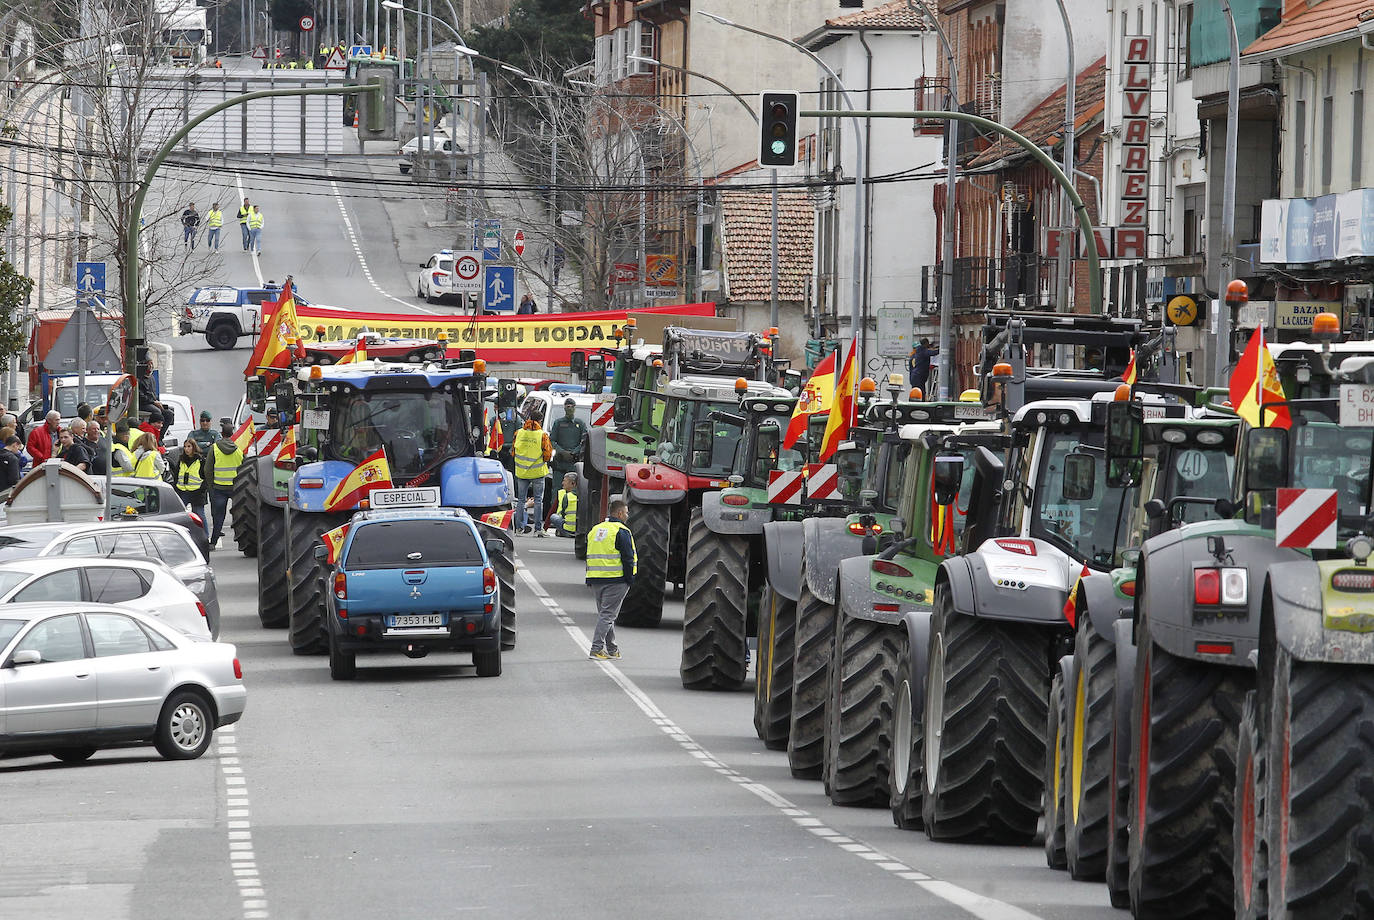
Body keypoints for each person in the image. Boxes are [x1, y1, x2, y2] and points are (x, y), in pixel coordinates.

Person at [585, 499, 635, 660]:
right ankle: (596, 648)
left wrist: (589, 578)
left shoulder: (595, 529)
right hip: (616, 580)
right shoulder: (621, 531)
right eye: (626, 512)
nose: (627, 515)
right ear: (620, 513)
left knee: (606, 615)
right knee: (607, 615)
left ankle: (612, 649)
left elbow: (590, 554)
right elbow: (628, 558)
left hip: (595, 578)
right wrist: (630, 579)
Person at [512, 407, 552, 536]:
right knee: (538, 500)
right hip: (537, 473)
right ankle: (538, 529)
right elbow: (547, 454)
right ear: (540, 421)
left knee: (521, 500)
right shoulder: (542, 435)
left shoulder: (518, 433)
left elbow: (513, 452)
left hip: (521, 472)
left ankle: (519, 529)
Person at [208, 418, 244, 547]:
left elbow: (208, 469)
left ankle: (213, 542)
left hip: (219, 488)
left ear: (222, 434)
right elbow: (244, 467)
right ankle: (242, 542)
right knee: (240, 516)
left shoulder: (214, 448)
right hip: (236, 488)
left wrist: (211, 485)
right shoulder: (239, 449)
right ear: (232, 434)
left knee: (219, 516)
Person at [548, 397, 588, 486]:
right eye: (567, 406)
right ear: (564, 408)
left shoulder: (580, 423)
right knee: (557, 489)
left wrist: (574, 453)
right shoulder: (558, 423)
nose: (569, 409)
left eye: (571, 406)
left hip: (574, 462)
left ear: (574, 408)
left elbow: (584, 441)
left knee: (573, 489)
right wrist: (562, 452)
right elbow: (552, 440)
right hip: (559, 462)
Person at [174, 438, 209, 536]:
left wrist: (203, 488)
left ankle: (205, 536)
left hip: (197, 492)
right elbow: (176, 475)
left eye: (189, 446)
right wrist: (176, 487)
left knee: (199, 515)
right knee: (178, 515)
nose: (186, 449)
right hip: (183, 491)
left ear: (194, 447)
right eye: (185, 447)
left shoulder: (201, 460)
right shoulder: (181, 460)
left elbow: (206, 476)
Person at [549, 472, 578, 538]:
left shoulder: (567, 496)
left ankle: (562, 532)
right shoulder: (584, 494)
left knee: (553, 517)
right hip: (579, 530)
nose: (562, 483)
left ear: (573, 483)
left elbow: (563, 514)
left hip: (567, 529)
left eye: (565, 481)